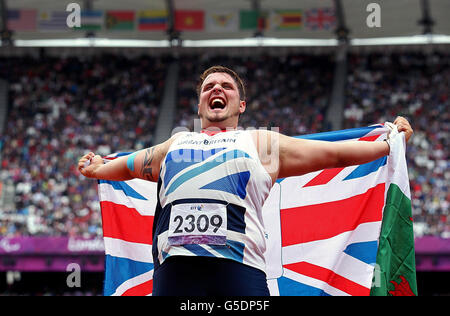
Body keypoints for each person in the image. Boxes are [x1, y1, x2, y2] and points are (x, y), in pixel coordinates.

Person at [78, 65, 413, 296]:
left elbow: (334, 154)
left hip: (238, 269)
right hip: (176, 270)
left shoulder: (260, 143)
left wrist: (390, 144)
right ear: (200, 105)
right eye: (209, 87)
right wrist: (97, 168)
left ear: (241, 104)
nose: (217, 90)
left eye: (226, 86)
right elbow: (129, 166)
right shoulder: (175, 144)